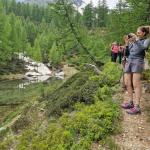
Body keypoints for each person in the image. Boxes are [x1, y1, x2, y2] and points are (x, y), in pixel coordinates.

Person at [121, 26, 150, 115]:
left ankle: (137, 106)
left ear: (144, 33)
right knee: (127, 83)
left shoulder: (147, 40)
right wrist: (127, 43)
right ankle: (130, 102)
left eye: (138, 32)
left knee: (136, 84)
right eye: (136, 32)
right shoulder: (133, 41)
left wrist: (136, 40)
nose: (137, 33)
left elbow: (143, 48)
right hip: (129, 61)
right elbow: (128, 52)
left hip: (138, 61)